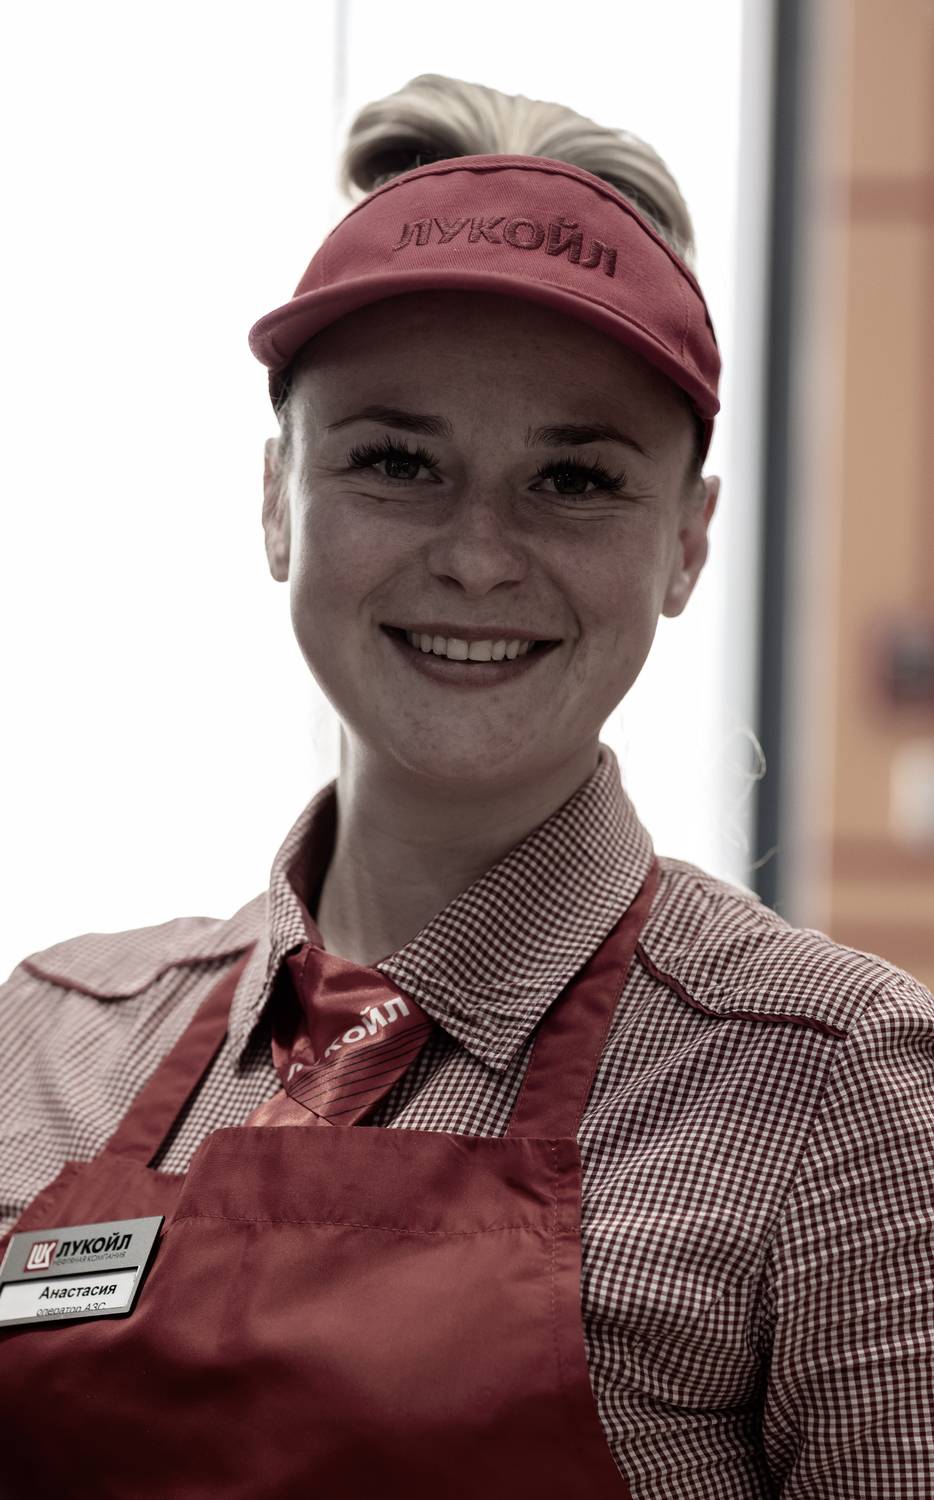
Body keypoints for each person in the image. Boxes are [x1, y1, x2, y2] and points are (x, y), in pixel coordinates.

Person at [0, 72, 932, 1499]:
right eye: (395, 460)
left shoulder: (837, 1089)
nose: (480, 557)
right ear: (276, 500)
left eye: (576, 480)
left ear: (686, 543)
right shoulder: (50, 1043)